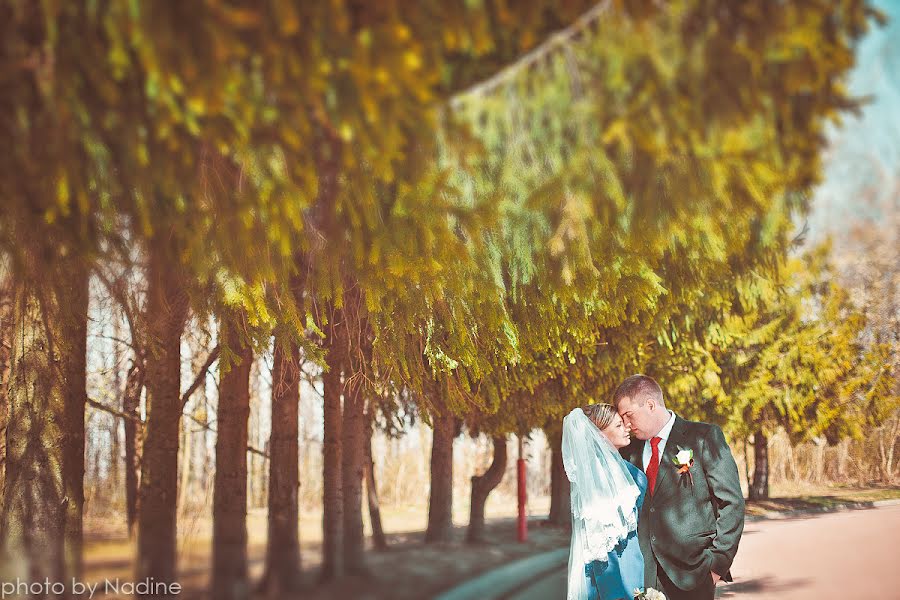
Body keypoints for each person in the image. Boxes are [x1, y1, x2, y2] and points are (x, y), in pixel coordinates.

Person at [615, 374, 745, 600]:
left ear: (651, 404)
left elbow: (731, 503)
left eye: (628, 415)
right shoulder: (629, 452)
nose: (626, 424)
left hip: (693, 575)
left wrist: (716, 565)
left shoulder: (704, 437)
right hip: (645, 576)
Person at [563, 404, 648, 600]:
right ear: (599, 435)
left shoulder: (631, 472)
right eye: (618, 426)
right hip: (615, 576)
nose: (626, 427)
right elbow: (601, 545)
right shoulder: (593, 480)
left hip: (635, 566)